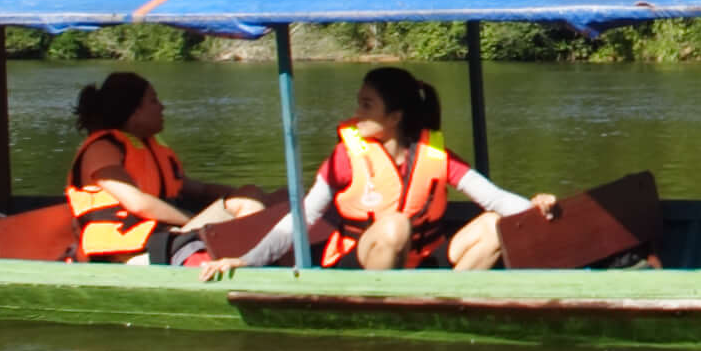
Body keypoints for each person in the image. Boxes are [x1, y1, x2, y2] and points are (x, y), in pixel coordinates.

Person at [233, 66, 555, 272]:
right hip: (359, 265)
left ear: (395, 118)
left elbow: (495, 199)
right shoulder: (345, 158)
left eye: (366, 105)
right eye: (359, 103)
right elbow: (303, 217)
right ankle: (385, 306)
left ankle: (450, 303)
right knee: (395, 226)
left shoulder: (436, 156)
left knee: (496, 224)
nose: (356, 113)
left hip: (421, 259)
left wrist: (534, 208)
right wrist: (247, 260)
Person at [65, 73, 263, 263]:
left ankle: (258, 261)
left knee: (255, 196)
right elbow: (138, 204)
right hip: (128, 249)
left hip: (162, 235)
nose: (162, 107)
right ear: (133, 112)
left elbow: (199, 189)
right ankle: (255, 269)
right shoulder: (102, 149)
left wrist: (246, 194)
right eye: (153, 101)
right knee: (246, 205)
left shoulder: (150, 147)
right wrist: (192, 221)